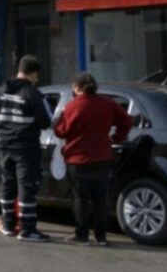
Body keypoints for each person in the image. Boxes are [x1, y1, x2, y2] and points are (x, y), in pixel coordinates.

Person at [53, 72, 132, 247]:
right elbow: (126, 121)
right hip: (103, 157)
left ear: (77, 88)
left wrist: (58, 122)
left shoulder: (73, 106)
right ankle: (101, 237)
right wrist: (117, 138)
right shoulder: (107, 103)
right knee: (100, 199)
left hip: (77, 159)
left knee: (81, 199)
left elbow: (61, 131)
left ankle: (82, 236)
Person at [0, 55, 52, 242]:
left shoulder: (0, 91)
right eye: (37, 76)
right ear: (33, 73)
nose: (37, 79)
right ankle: (28, 229)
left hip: (5, 146)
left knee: (7, 185)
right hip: (26, 148)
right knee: (26, 188)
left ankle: (8, 224)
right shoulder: (33, 94)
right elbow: (46, 122)